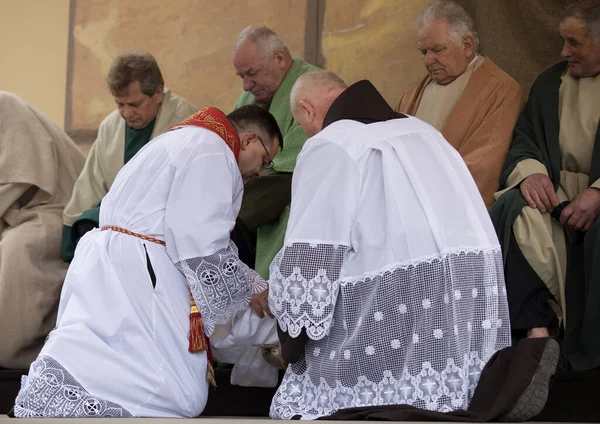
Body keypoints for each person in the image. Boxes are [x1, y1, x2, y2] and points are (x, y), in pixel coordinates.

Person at [268, 70, 558, 421]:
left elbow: (310, 257)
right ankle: (506, 382)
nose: (309, 133)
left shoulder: (331, 143)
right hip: (469, 278)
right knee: (447, 391)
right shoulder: (422, 129)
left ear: (307, 109)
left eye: (303, 126)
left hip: (397, 291)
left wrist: (290, 341)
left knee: (345, 394)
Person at [14, 105, 283, 418]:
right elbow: (201, 242)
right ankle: (68, 384)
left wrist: (246, 282)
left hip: (111, 259)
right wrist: (247, 290)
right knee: (180, 391)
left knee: (106, 340)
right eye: (265, 159)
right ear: (249, 139)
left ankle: (58, 383)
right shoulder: (214, 150)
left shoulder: (181, 139)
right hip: (142, 266)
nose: (260, 172)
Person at [491, 0, 600, 371]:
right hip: (558, 194)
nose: (563, 52)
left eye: (574, 43)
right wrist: (532, 171)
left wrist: (598, 193)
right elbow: (525, 138)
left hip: (596, 198)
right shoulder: (550, 83)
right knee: (516, 211)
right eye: (562, 41)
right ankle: (538, 335)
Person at [61, 51, 197, 261]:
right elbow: (90, 185)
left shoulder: (188, 123)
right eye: (120, 104)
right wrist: (74, 232)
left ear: (158, 93)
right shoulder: (111, 125)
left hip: (164, 239)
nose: (126, 113)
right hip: (113, 235)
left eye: (134, 104)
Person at [397, 0, 523, 209]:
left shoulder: (501, 91)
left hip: (447, 209)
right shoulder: (412, 95)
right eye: (424, 52)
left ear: (467, 45)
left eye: (437, 50)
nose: (428, 60)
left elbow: (483, 166)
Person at [0, 92, 85, 370]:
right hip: (20, 211)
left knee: (18, 248)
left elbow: (19, 178)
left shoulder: (6, 107)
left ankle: (20, 354)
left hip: (57, 207)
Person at [232, 25, 319, 278]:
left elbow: (293, 165)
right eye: (241, 77)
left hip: (291, 200)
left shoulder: (311, 88)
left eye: (252, 73)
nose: (247, 85)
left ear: (280, 59)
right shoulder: (246, 102)